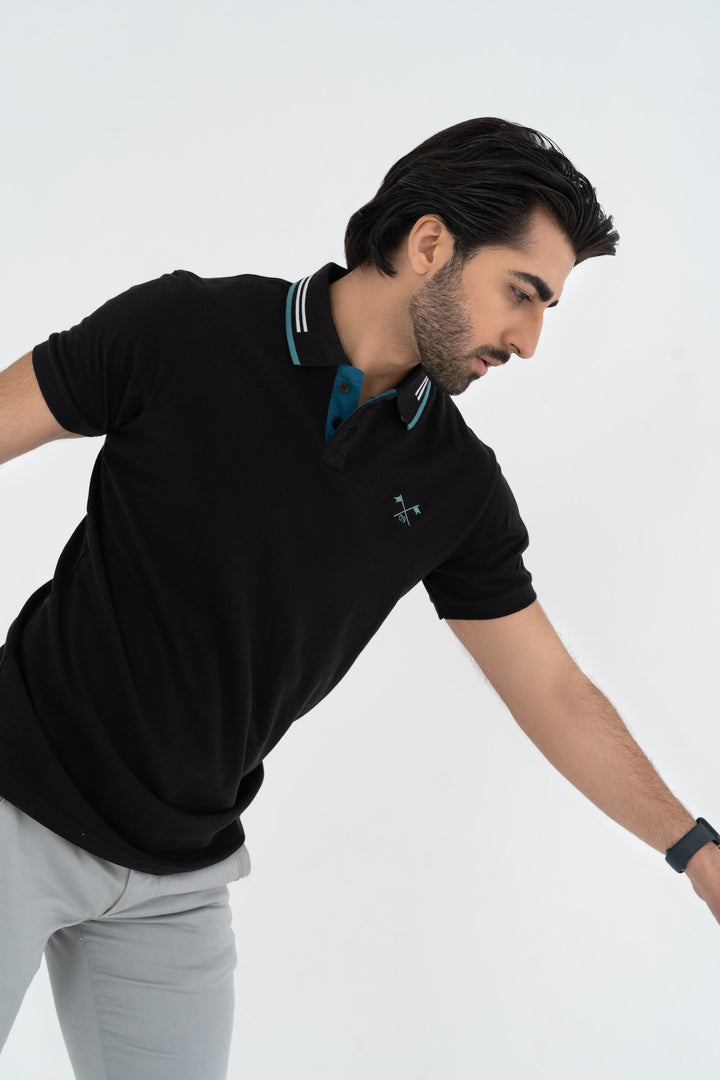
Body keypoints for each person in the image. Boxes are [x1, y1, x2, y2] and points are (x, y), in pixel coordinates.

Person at [0, 116, 718, 1079]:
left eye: (548, 308)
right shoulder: (184, 330)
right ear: (429, 244)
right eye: (522, 292)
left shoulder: (457, 487)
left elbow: (552, 690)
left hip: (178, 879)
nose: (531, 340)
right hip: (14, 800)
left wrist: (697, 851)